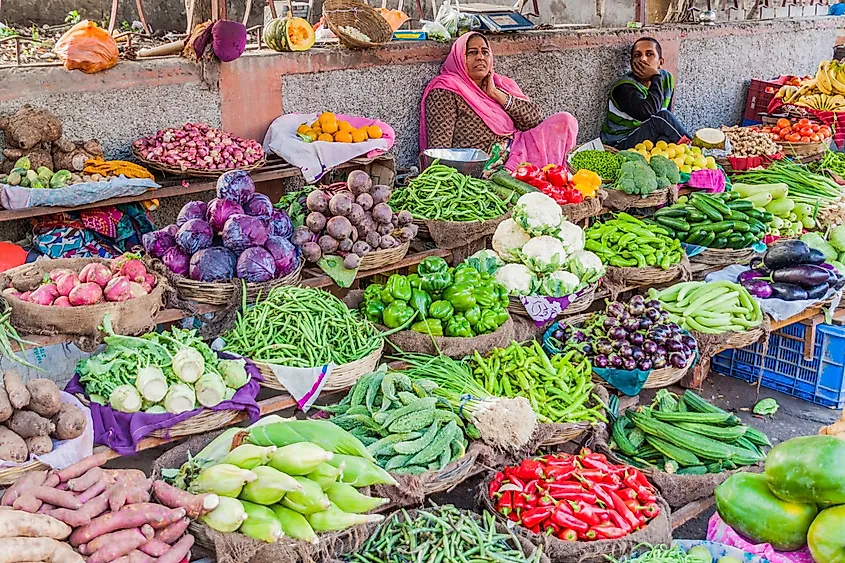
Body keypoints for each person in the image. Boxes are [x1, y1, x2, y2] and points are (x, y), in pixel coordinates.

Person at [420, 32, 578, 170]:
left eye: (485, 52)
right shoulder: (446, 90)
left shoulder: (498, 84)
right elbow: (440, 150)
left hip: (518, 151)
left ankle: (550, 176)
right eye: (472, 53)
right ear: (460, 58)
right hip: (484, 167)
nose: (480, 57)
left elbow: (534, 120)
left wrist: (495, 93)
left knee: (565, 121)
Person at [601, 37, 691, 150]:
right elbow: (650, 113)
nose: (643, 59)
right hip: (620, 144)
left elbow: (667, 118)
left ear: (660, 62)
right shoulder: (624, 87)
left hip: (648, 137)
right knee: (663, 117)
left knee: (668, 140)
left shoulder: (666, 79)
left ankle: (695, 155)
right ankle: (695, 150)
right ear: (631, 63)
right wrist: (655, 77)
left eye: (649, 54)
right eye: (637, 55)